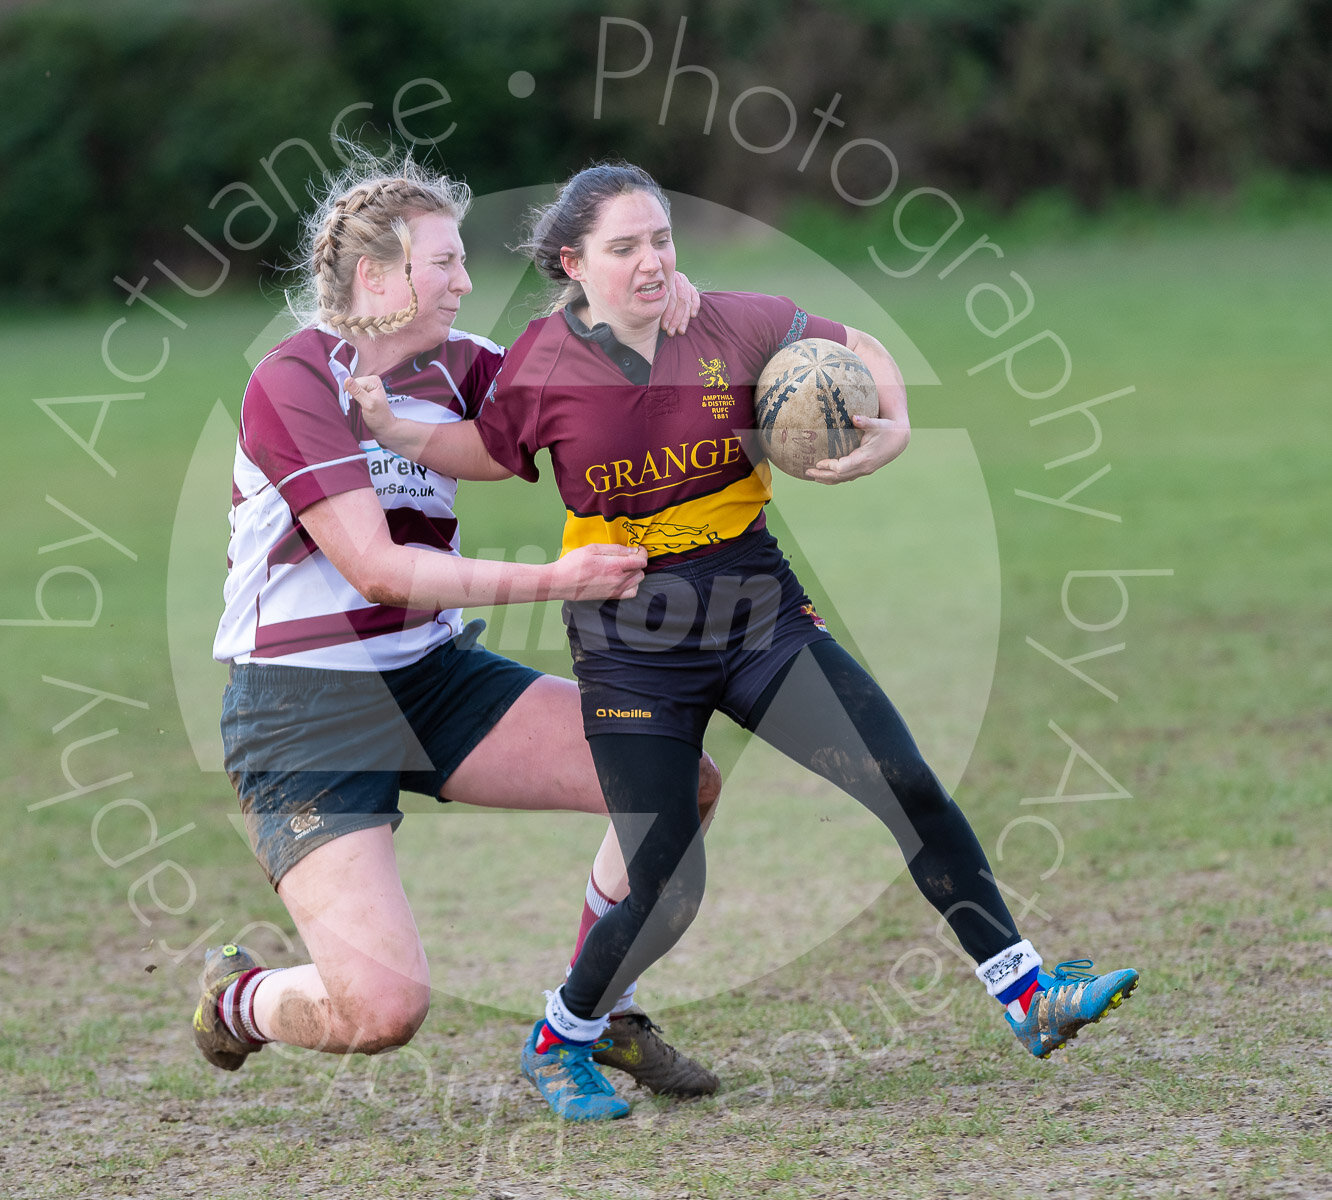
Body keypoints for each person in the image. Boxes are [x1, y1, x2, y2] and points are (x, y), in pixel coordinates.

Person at [349, 161, 1140, 1122]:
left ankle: (1027, 993)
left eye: (661, 240)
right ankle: (561, 1038)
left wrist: (890, 428)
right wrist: (395, 427)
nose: (651, 262)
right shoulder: (541, 361)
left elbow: (862, 348)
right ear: (572, 261)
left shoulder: (737, 322)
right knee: (665, 865)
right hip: (632, 640)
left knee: (905, 783)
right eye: (624, 247)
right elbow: (490, 452)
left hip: (758, 615)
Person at [191, 152, 723, 1100]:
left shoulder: (464, 364)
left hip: (431, 679)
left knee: (672, 782)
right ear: (377, 279)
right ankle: (241, 999)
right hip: (299, 711)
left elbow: (589, 378)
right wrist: (557, 580)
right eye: (444, 263)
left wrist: (659, 300)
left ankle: (596, 1012)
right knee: (380, 1011)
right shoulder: (294, 382)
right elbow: (376, 567)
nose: (465, 281)